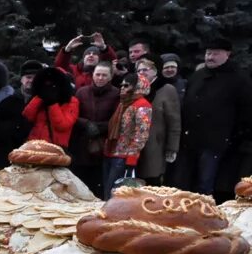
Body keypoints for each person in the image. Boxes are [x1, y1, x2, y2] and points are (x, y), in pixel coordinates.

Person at [180, 37, 252, 198]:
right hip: (190, 140)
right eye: (208, 53)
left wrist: (232, 137)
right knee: (187, 181)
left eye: (215, 54)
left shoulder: (239, 79)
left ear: (227, 54)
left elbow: (246, 112)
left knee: (206, 183)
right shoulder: (198, 76)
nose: (209, 57)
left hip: (217, 142)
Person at [73, 61, 120, 196]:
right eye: (98, 74)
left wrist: (99, 128)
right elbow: (73, 115)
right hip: (82, 145)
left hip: (104, 145)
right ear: (93, 75)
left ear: (110, 77)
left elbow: (117, 120)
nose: (100, 78)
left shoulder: (116, 94)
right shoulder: (82, 92)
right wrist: (86, 123)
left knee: (99, 184)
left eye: (104, 75)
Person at [102, 73, 152, 198]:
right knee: (107, 190)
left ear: (138, 87)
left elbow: (141, 134)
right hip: (110, 152)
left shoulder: (142, 105)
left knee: (114, 194)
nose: (122, 88)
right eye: (122, 85)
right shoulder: (123, 103)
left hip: (123, 156)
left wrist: (132, 157)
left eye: (127, 85)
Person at [134, 58, 180, 186]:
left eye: (145, 69)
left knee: (152, 180)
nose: (142, 73)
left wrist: (172, 148)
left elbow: (174, 121)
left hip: (156, 144)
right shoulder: (135, 89)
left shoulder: (166, 89)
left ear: (154, 72)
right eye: (139, 70)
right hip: (135, 145)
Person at [22, 67, 78, 149]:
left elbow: (62, 126)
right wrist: (39, 96)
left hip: (55, 147)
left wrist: (52, 103)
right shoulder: (40, 97)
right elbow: (27, 116)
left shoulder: (71, 101)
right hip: (34, 144)